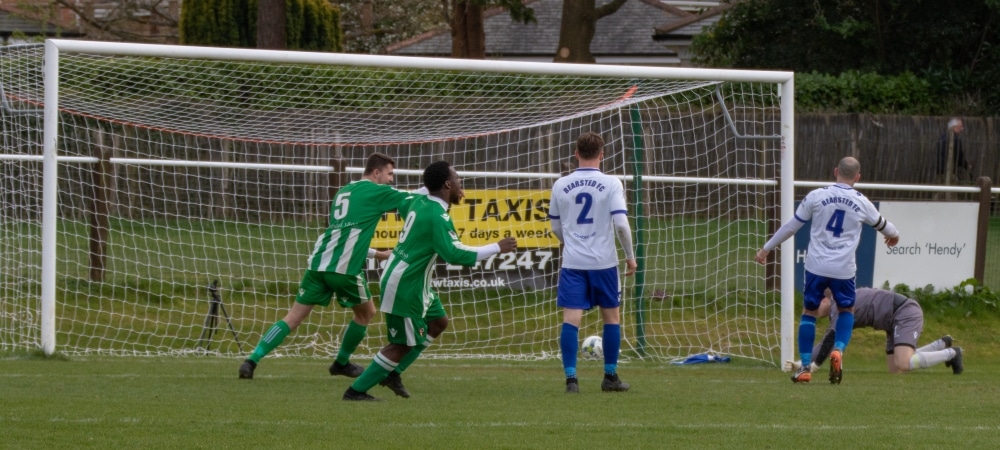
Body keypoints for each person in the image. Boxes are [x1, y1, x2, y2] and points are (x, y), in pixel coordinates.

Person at [343, 160, 517, 401]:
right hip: (404, 283)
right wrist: (497, 247)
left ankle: (393, 373)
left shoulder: (418, 201)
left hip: (416, 282)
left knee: (438, 322)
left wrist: (431, 188)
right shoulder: (437, 215)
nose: (460, 184)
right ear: (447, 184)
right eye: (457, 179)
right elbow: (456, 254)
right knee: (400, 344)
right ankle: (356, 391)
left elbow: (412, 199)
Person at [238, 153, 407, 380]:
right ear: (376, 172)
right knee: (367, 313)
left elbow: (342, 235)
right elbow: (410, 198)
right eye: (389, 174)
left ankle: (251, 361)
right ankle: (341, 363)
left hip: (319, 265)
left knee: (293, 317)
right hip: (345, 269)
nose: (391, 180)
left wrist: (376, 254)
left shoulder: (343, 192)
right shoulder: (374, 191)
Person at [754, 156, 900, 385]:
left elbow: (791, 226)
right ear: (858, 177)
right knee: (846, 310)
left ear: (835, 171)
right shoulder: (862, 201)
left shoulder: (816, 195)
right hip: (844, 270)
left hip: (816, 266)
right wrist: (894, 236)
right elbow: (888, 228)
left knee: (809, 313)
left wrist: (766, 249)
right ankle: (838, 350)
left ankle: (804, 368)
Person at [548, 131, 637, 394]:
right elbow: (621, 223)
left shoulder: (560, 184)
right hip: (604, 263)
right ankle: (610, 377)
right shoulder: (612, 183)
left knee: (571, 319)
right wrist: (630, 256)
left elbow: (555, 225)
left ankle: (571, 381)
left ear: (576, 154)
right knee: (611, 318)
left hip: (573, 263)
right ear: (602, 154)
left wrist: (572, 241)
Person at [785, 288, 963, 377]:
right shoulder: (840, 302)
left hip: (904, 312)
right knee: (896, 369)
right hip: (891, 320)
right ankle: (941, 344)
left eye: (812, 307)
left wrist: (806, 365)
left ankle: (953, 353)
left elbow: (828, 342)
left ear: (825, 299)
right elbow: (829, 340)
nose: (812, 312)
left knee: (903, 363)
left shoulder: (838, 307)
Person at [936, 117, 972, 186]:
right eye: (960, 127)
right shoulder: (955, 140)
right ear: (953, 127)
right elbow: (959, 157)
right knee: (952, 191)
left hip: (939, 171)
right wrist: (967, 166)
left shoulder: (942, 137)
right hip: (949, 171)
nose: (962, 129)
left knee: (940, 191)